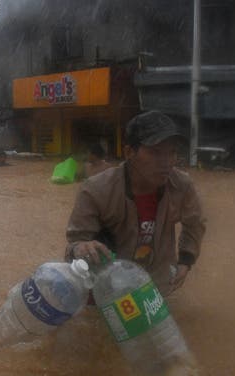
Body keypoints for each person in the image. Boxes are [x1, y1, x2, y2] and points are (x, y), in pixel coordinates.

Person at [64, 110, 205, 295]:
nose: (167, 162)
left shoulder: (181, 185)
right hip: (108, 289)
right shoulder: (95, 189)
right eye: (156, 152)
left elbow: (195, 224)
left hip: (157, 287)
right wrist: (83, 247)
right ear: (129, 152)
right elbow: (75, 242)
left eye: (172, 152)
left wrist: (185, 261)